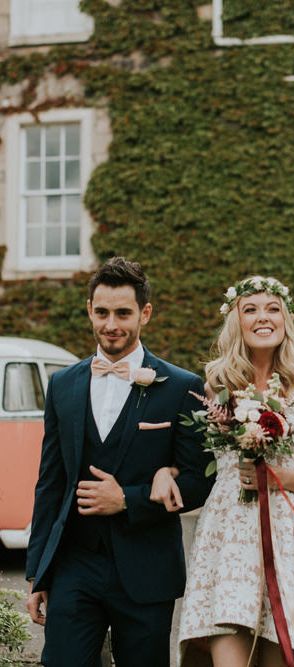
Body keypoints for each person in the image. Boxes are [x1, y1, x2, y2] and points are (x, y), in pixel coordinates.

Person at [25, 257, 214, 667]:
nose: (111, 324)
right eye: (102, 312)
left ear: (144, 313)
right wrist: (38, 573)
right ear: (89, 310)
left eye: (123, 313)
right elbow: (50, 483)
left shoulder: (181, 387)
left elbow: (200, 479)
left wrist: (127, 499)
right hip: (75, 563)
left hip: (146, 568)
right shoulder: (63, 385)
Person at [154, 276, 294, 667]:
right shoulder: (214, 387)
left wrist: (275, 478)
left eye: (272, 309)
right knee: (226, 650)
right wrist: (163, 471)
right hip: (228, 540)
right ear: (236, 321)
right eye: (251, 309)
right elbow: (190, 460)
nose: (263, 317)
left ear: (286, 320)